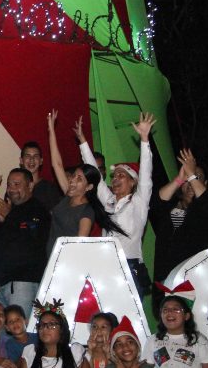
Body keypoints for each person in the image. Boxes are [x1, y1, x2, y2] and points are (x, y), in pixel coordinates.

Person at [75, 113, 155, 298]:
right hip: (107, 268)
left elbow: (146, 173)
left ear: (133, 182)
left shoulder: (139, 202)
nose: (116, 179)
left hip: (130, 269)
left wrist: (144, 139)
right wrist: (82, 140)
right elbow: (94, 173)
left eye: (121, 176)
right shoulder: (109, 200)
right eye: (114, 176)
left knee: (130, 323)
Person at [151, 149, 208, 311]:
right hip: (166, 283)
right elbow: (157, 201)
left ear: (205, 184)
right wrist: (179, 179)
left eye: (197, 179)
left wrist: (191, 173)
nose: (191, 183)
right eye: (188, 180)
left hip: (196, 284)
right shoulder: (170, 207)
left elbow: (207, 203)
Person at [47, 110, 128, 251]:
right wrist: (51, 130)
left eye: (79, 179)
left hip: (66, 267)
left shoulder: (86, 211)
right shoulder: (68, 194)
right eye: (73, 176)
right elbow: (57, 165)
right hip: (51, 262)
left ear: (89, 187)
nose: (72, 180)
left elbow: (80, 246)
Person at [0, 168, 52, 318]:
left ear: (30, 186)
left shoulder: (38, 210)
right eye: (9, 184)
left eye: (17, 184)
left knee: (21, 334)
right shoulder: (8, 209)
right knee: (5, 337)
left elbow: (32, 241)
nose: (12, 189)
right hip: (2, 283)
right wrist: (0, 221)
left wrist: (9, 216)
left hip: (24, 282)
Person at [142, 293, 208, 368]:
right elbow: (146, 365)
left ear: (186, 316)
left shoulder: (199, 340)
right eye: (165, 310)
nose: (170, 312)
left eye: (176, 309)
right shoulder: (153, 340)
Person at [18, 300, 83, 368]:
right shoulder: (30, 353)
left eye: (51, 324)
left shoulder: (75, 353)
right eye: (41, 325)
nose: (45, 328)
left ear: (62, 329)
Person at [19, 141, 62, 212]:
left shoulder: (50, 188)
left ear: (41, 161)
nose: (31, 159)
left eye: (35, 156)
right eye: (28, 156)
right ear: (21, 160)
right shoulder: (15, 187)